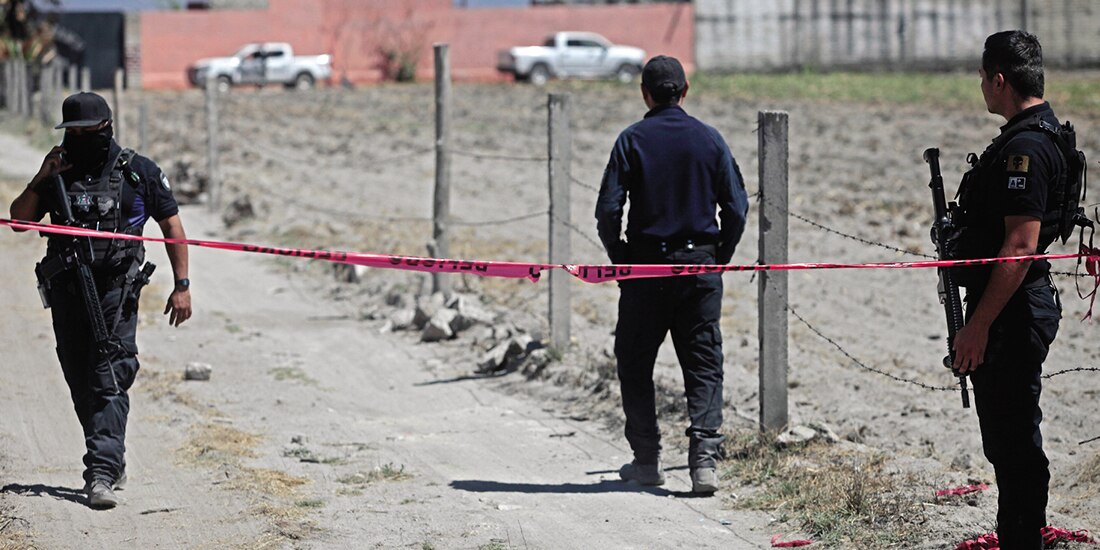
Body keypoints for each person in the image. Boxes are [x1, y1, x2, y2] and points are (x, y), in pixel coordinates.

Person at [8, 92, 192, 509]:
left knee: (108, 376)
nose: (80, 140)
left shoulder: (137, 172)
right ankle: (110, 454)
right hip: (67, 290)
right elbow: (20, 220)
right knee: (79, 379)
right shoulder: (58, 171)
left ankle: (101, 473)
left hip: (116, 291)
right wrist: (41, 176)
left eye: (87, 132)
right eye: (72, 133)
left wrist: (182, 285)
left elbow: (172, 226)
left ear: (106, 128)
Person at [595, 55, 748, 494]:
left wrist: (621, 259)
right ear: (685, 91)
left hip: (644, 269)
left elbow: (608, 211)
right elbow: (736, 208)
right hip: (699, 270)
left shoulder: (631, 140)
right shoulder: (710, 139)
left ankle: (647, 460)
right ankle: (703, 463)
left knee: (634, 362)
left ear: (645, 94)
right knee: (704, 364)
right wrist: (718, 258)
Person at [950, 31, 1070, 549]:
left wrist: (977, 327)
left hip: (1012, 310)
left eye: (983, 78)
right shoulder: (1036, 134)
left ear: (999, 80)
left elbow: (1020, 248)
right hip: (1013, 302)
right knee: (1006, 437)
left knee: (1014, 439)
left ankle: (1024, 538)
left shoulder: (1026, 147)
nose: (981, 87)